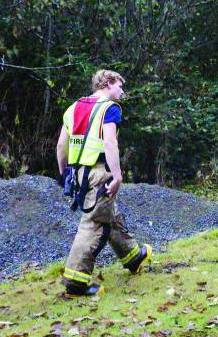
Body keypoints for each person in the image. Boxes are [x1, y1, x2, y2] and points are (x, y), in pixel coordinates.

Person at [56, 69, 151, 295]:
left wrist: (64, 175)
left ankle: (133, 257)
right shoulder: (110, 109)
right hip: (99, 172)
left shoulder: (74, 107)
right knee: (96, 222)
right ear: (108, 83)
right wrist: (117, 175)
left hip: (79, 174)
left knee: (109, 213)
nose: (122, 90)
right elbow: (110, 143)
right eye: (120, 85)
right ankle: (75, 282)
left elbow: (61, 146)